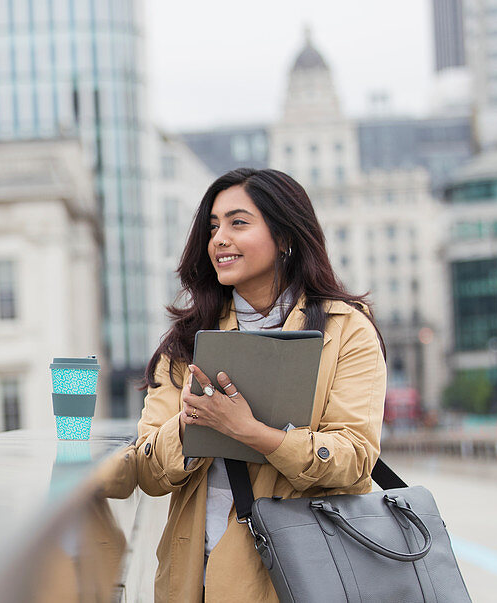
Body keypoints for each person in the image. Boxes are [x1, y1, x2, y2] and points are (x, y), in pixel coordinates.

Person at [135, 168, 387, 602]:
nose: (219, 238)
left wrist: (252, 432)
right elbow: (147, 471)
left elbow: (355, 459)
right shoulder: (185, 340)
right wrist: (190, 426)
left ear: (285, 236)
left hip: (296, 576)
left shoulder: (347, 328)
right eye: (213, 226)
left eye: (238, 223)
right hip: (194, 576)